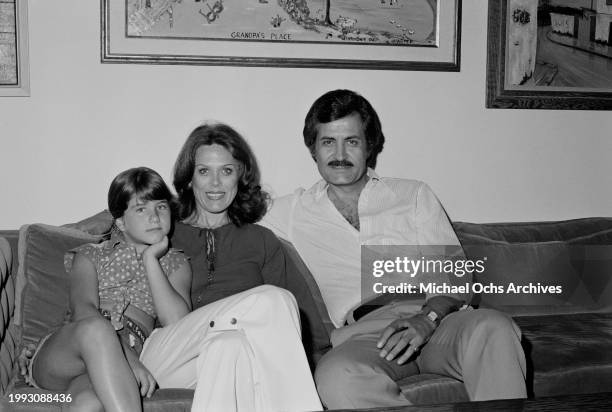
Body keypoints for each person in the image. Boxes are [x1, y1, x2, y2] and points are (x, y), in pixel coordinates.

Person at [261, 89, 528, 408]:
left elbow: (453, 278)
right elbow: (222, 210)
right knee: (337, 376)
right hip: (367, 336)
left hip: (437, 319)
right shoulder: (292, 212)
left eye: (353, 141)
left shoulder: (412, 195)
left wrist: (427, 319)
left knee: (494, 327)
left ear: (369, 145)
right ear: (313, 150)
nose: (340, 153)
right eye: (328, 142)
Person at [133, 123, 322, 412]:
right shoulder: (161, 230)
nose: (216, 184)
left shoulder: (262, 241)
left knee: (228, 346)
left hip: (230, 358)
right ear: (189, 178)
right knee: (275, 299)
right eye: (204, 171)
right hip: (166, 361)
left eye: (227, 171)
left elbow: (310, 332)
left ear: (240, 177)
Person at [26, 167, 191, 412]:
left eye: (161, 206)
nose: (155, 217)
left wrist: (151, 261)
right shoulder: (91, 255)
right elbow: (83, 310)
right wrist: (128, 358)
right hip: (68, 352)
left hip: (110, 364)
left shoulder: (175, 263)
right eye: (141, 208)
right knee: (96, 329)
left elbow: (177, 323)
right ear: (121, 221)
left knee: (86, 405)